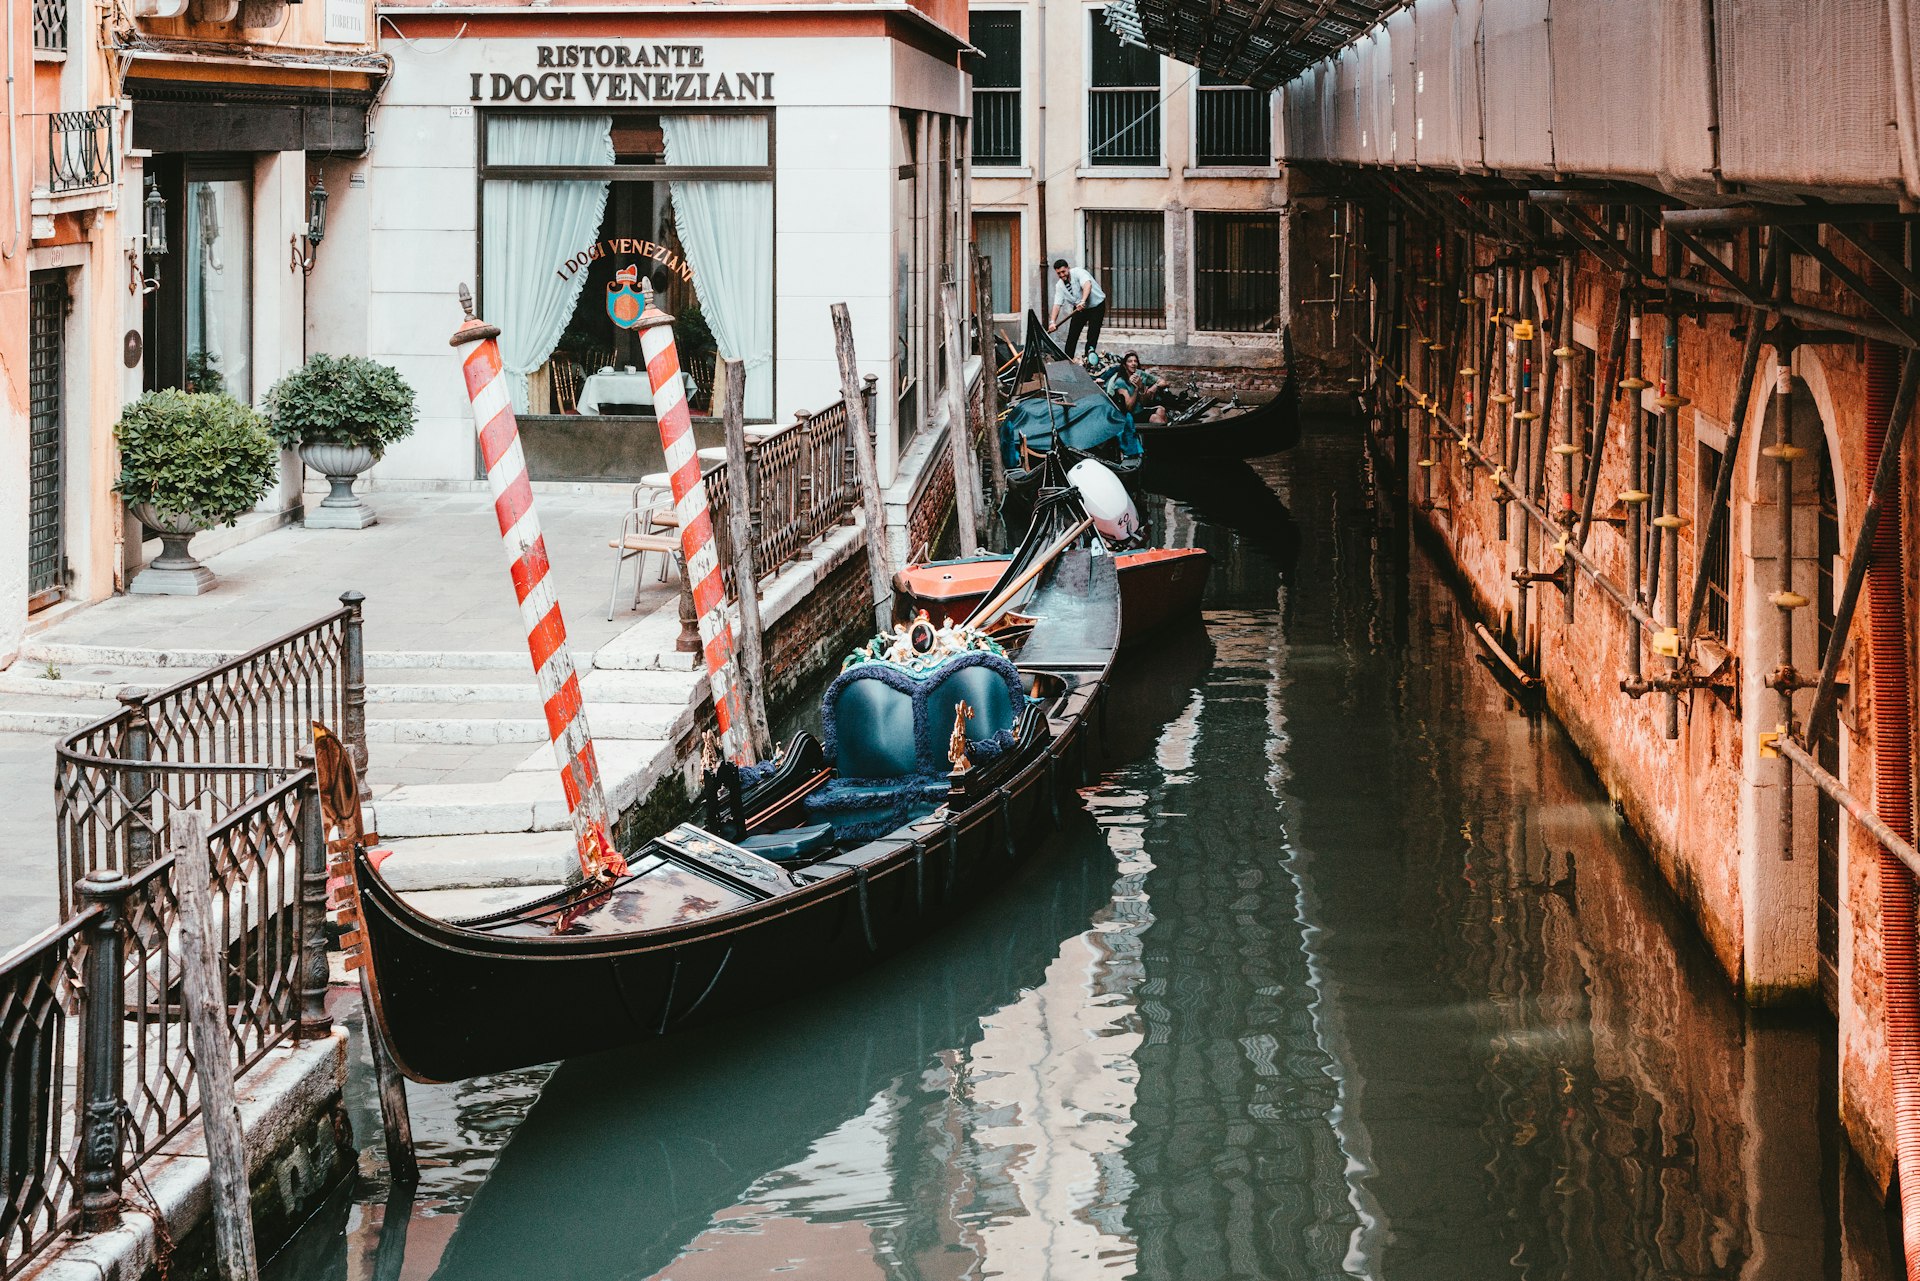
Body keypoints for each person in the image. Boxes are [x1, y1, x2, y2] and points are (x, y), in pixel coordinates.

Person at [1048, 258, 1107, 361]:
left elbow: (1087, 285)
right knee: (1072, 334)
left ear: (1068, 268)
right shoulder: (1059, 286)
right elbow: (1057, 304)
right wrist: (1052, 322)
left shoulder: (1079, 272)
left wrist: (1083, 300)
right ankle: (1067, 359)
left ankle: (1089, 358)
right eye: (1059, 273)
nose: (1062, 275)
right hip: (1080, 308)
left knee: (1092, 333)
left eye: (1063, 271)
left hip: (1096, 306)